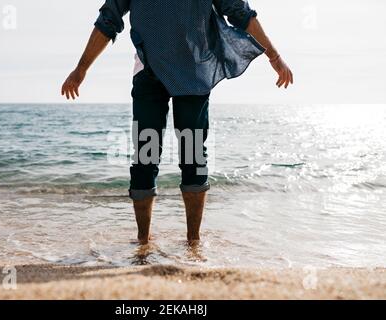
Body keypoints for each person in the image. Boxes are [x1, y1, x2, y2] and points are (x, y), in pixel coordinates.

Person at [61, 0, 293, 245]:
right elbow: (109, 19)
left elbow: (240, 13)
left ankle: (193, 243)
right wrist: (81, 68)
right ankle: (143, 243)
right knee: (145, 155)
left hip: (194, 73)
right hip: (149, 73)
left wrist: (275, 57)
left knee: (193, 157)